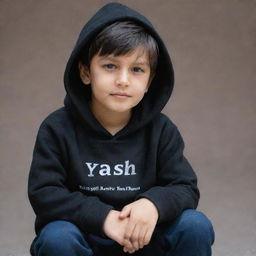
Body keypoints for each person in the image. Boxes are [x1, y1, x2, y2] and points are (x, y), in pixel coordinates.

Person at [28, 2, 214, 256]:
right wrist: (104, 218)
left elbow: (185, 187)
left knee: (195, 225)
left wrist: (153, 205)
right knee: (57, 237)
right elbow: (45, 193)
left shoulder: (162, 130)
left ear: (150, 81)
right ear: (85, 72)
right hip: (86, 240)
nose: (123, 80)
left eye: (137, 69)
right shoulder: (57, 129)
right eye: (110, 66)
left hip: (144, 240)